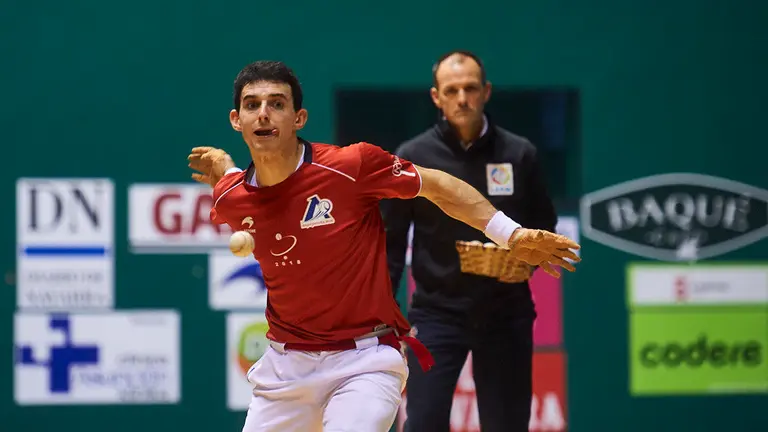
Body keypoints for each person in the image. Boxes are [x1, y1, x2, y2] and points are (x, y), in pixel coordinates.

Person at [187, 60, 579, 432]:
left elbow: (438, 186)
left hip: (364, 361)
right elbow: (236, 180)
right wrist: (224, 167)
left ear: (299, 118)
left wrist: (510, 234)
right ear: (236, 120)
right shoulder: (231, 199)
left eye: (277, 104)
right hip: (285, 367)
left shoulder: (349, 166)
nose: (264, 114)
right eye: (252, 105)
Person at [382, 50, 560, 432]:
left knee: (507, 425)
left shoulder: (519, 153)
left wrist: (524, 262)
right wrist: (382, 312)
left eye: (470, 88)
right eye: (452, 90)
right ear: (436, 97)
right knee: (423, 422)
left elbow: (544, 224)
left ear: (486, 92)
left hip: (505, 311)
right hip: (436, 313)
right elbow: (391, 241)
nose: (462, 98)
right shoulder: (414, 157)